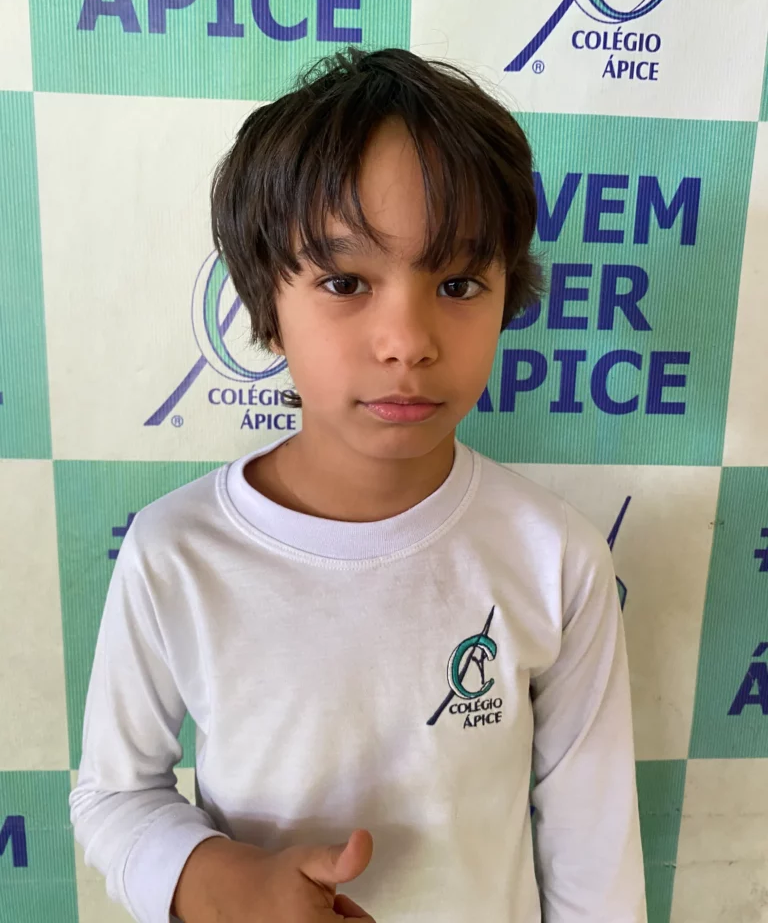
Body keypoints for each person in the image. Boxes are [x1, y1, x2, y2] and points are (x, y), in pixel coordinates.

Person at [69, 46, 648, 923]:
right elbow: (114, 795)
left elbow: (594, 849)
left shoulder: (554, 556)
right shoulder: (175, 552)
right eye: (344, 282)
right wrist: (221, 882)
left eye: (459, 282)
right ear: (266, 306)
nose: (407, 341)